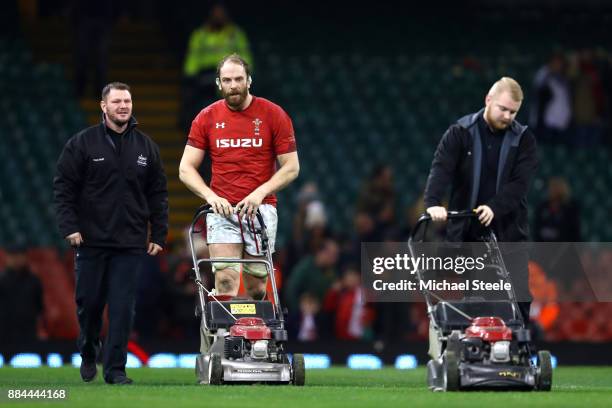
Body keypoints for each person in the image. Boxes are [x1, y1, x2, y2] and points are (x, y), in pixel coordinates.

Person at [53, 82, 168, 384]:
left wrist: (158, 234)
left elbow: (158, 194)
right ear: (103, 107)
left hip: (130, 243)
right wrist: (70, 227)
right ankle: (89, 349)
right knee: (89, 305)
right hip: (90, 241)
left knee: (122, 309)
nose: (123, 106)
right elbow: (63, 188)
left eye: (127, 101)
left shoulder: (146, 147)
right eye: (116, 101)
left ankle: (116, 370)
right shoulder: (82, 143)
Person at [179, 53, 299, 303]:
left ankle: (257, 339)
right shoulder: (206, 117)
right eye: (227, 80)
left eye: (238, 79)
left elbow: (291, 167)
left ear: (249, 80)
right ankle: (224, 339)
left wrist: (259, 193)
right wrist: (211, 197)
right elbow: (185, 169)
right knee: (224, 279)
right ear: (218, 84)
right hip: (222, 212)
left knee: (256, 285)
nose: (233, 85)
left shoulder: (273, 114)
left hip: (260, 210)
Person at [423, 77, 539, 322]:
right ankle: (477, 351)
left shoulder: (524, 139)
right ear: (488, 100)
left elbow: (520, 185)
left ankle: (521, 350)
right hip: (469, 229)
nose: (508, 116)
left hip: (508, 229)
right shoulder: (460, 132)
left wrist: (494, 207)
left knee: (518, 294)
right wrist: (433, 202)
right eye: (503, 109)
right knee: (476, 295)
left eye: (513, 112)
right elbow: (441, 168)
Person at [180, 4, 252, 131]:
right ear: (210, 16)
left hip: (230, 73)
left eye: (221, 14)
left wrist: (244, 72)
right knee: (194, 104)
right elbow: (193, 58)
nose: (219, 17)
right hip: (205, 75)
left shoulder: (236, 34)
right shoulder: (200, 35)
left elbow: (245, 56)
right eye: (216, 14)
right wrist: (191, 76)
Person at [0, 243, 43, 344]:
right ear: (7, 257)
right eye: (13, 255)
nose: (16, 259)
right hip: (4, 332)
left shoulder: (34, 281)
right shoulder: (1, 280)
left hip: (28, 331)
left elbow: (39, 306)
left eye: (20, 255)